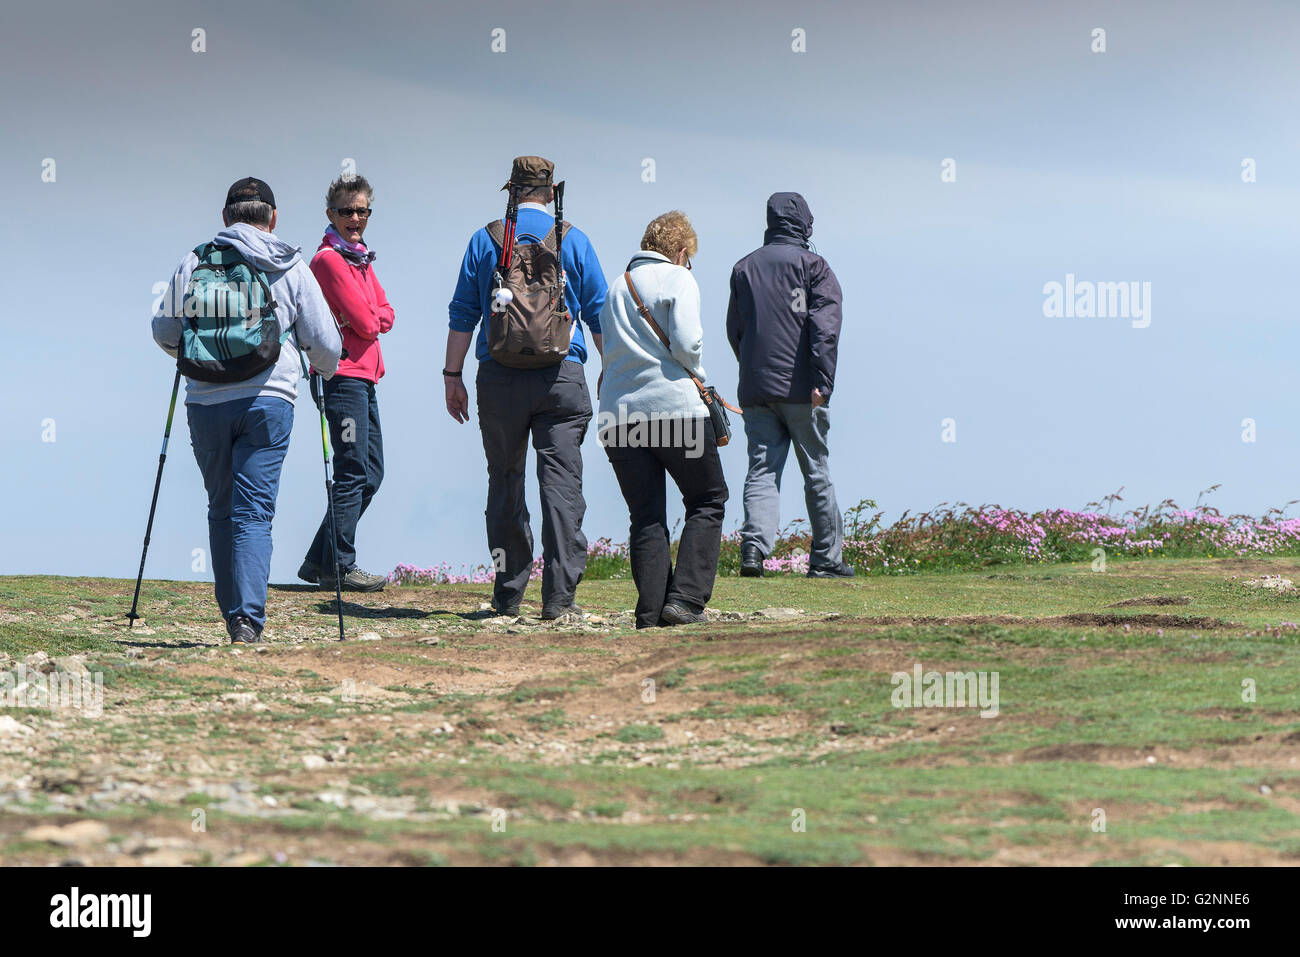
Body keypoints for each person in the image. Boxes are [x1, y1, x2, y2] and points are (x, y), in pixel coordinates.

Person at [152, 177, 342, 643]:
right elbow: (325, 344)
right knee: (254, 510)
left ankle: (231, 615)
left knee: (222, 508)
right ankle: (247, 621)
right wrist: (318, 367)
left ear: (225, 218)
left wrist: (197, 357)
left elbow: (163, 330)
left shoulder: (195, 260)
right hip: (269, 399)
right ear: (273, 218)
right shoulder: (289, 263)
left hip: (206, 400)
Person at [444, 156, 608, 619]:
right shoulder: (574, 239)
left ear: (510, 190)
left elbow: (462, 313)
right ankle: (559, 598)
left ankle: (508, 592)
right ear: (553, 192)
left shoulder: (486, 240)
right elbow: (598, 313)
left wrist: (451, 376)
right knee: (561, 486)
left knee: (505, 481)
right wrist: (608, 370)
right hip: (563, 377)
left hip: (498, 376)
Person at [598, 212, 728, 628]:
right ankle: (687, 601)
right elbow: (688, 344)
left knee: (647, 514)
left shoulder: (617, 287)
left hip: (620, 416)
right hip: (675, 411)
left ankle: (651, 612)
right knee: (707, 499)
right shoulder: (679, 279)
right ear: (682, 251)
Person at [726, 191, 852, 579]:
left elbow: (735, 330)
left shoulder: (744, 267)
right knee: (816, 470)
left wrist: (751, 373)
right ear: (805, 222)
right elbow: (824, 331)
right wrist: (822, 382)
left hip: (757, 388)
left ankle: (753, 551)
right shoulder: (815, 267)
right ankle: (826, 560)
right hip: (802, 390)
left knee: (761, 470)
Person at [297, 174, 395, 592]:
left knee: (371, 472)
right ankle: (339, 566)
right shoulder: (329, 261)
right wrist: (372, 317)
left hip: (362, 377)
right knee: (353, 469)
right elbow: (369, 322)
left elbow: (385, 313)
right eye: (346, 211)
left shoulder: (357, 257)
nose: (355, 218)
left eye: (362, 211)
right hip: (341, 377)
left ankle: (318, 562)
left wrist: (373, 316)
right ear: (330, 214)